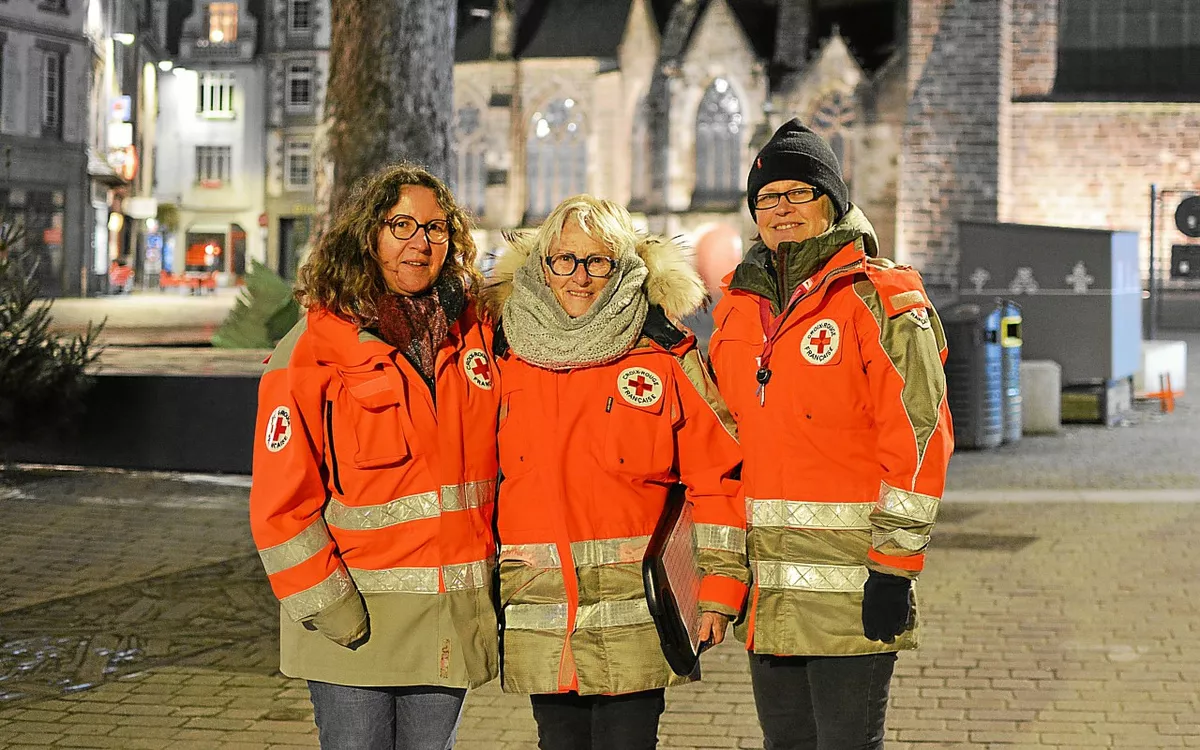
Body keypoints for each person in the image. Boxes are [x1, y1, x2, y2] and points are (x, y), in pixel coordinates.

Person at [707, 119, 955, 749]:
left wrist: (895, 568)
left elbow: (920, 437)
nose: (781, 208)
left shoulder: (880, 299)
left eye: (799, 192)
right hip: (770, 596)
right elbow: (723, 445)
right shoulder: (737, 307)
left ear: (833, 202)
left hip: (855, 590)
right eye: (767, 197)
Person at [481, 195, 749, 750]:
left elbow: (718, 473)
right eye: (565, 260)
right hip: (541, 609)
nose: (579, 277)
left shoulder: (665, 356)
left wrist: (720, 589)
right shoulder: (504, 356)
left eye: (597, 261)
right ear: (542, 265)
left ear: (624, 265)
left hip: (638, 616)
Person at [249, 163, 501, 750]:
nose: (421, 241)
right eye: (401, 225)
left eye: (437, 228)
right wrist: (332, 609)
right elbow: (279, 506)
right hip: (353, 625)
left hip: (447, 619)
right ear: (369, 235)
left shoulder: (475, 339)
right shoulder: (311, 350)